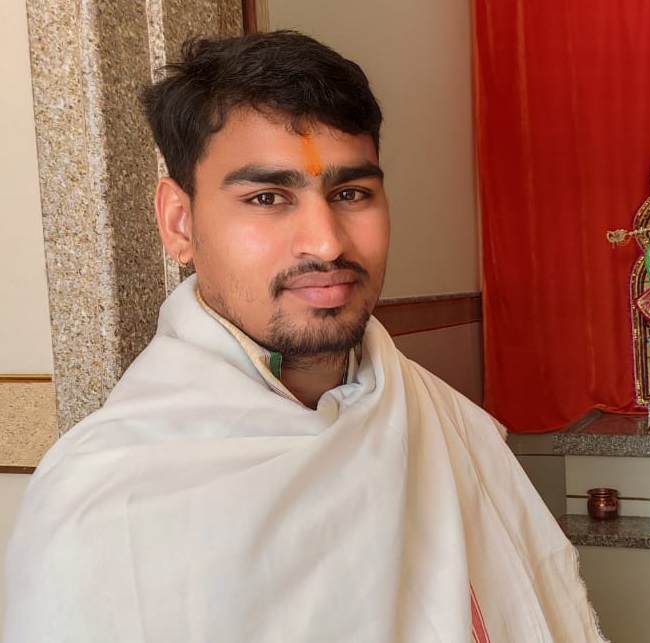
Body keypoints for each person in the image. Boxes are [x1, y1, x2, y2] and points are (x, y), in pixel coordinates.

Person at [3, 31, 605, 642]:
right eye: (267, 197)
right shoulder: (107, 496)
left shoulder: (449, 424)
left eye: (351, 194)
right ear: (179, 223)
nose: (326, 243)